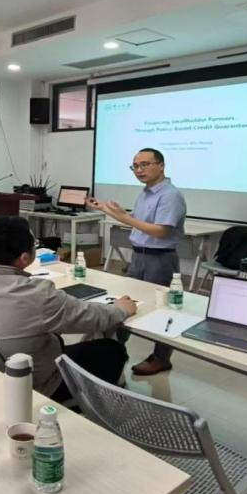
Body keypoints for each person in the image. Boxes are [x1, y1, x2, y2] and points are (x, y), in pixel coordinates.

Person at [0, 216, 135, 402]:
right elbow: (93, 318)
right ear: (25, 258)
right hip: (35, 383)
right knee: (111, 350)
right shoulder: (38, 294)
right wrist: (120, 309)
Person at [88, 147, 187, 376]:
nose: (139, 170)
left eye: (145, 164)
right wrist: (108, 210)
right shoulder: (145, 193)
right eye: (135, 166)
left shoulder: (170, 195)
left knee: (161, 308)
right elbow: (138, 223)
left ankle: (161, 358)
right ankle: (112, 349)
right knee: (127, 301)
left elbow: (161, 231)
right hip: (139, 256)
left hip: (160, 258)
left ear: (161, 165)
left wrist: (125, 217)